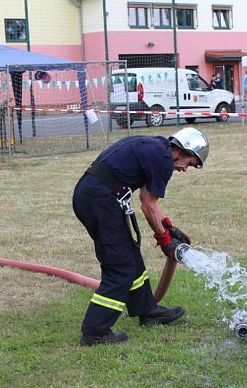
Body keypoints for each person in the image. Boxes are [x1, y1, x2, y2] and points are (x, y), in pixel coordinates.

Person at [71, 127, 209, 346]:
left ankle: (147, 310)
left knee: (130, 255)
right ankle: (95, 332)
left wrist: (168, 227)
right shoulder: (162, 159)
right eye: (190, 163)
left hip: (97, 197)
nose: (185, 169)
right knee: (121, 267)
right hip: (99, 201)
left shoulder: (157, 148)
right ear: (183, 151)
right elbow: (148, 204)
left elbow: (147, 196)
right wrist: (165, 241)